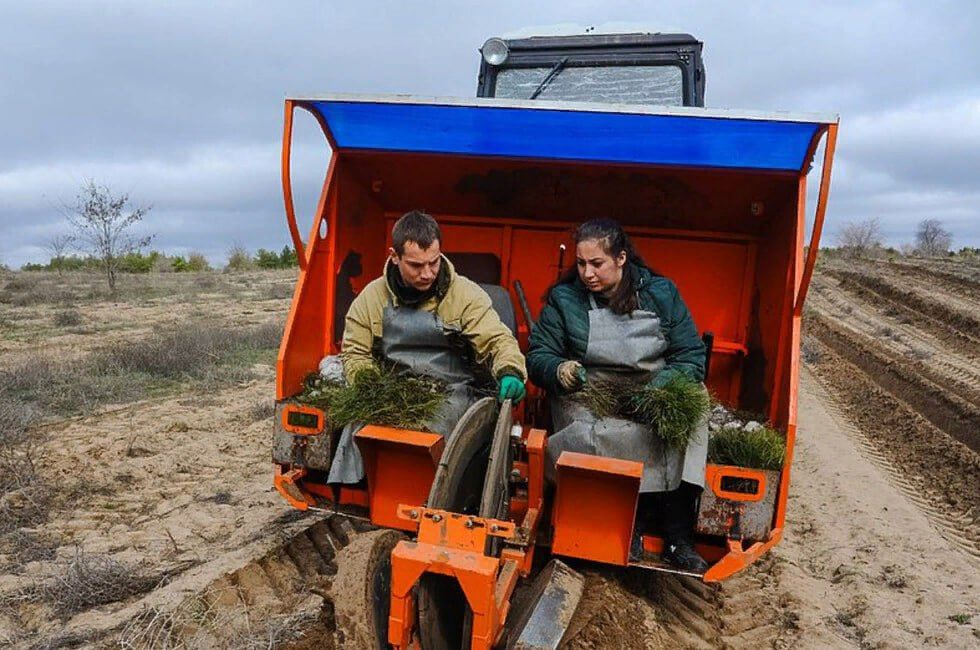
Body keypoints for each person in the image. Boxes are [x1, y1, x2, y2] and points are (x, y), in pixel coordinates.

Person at [527, 218, 709, 572]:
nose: (587, 273)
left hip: (653, 386)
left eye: (597, 264)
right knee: (592, 432)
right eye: (581, 264)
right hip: (590, 389)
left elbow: (690, 356)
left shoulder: (661, 293)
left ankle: (678, 535)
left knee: (694, 415)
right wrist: (559, 370)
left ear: (621, 258)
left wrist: (658, 391)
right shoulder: (566, 300)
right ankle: (625, 525)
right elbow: (538, 356)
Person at [327, 210, 527, 483]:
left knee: (436, 427)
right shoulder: (371, 298)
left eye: (433, 263)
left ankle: (438, 495)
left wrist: (510, 369)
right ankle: (360, 492)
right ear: (394, 256)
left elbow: (497, 340)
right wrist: (368, 382)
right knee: (360, 429)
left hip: (452, 390)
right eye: (416, 265)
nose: (428, 273)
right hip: (394, 385)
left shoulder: (464, 295)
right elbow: (355, 352)